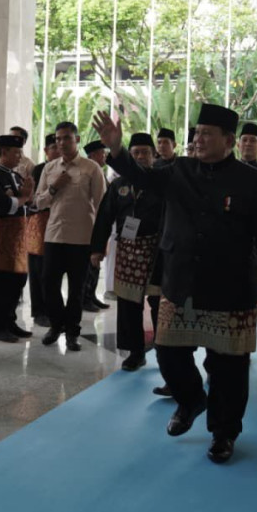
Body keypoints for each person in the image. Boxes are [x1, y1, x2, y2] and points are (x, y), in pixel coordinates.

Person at [92, 104, 257, 464]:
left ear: (228, 140)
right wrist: (116, 149)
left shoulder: (253, 180)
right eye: (197, 132)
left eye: (207, 133)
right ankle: (191, 399)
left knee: (229, 366)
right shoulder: (178, 169)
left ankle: (224, 432)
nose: (199, 139)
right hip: (181, 280)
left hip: (231, 284)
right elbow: (140, 175)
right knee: (168, 352)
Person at [90, 132, 165, 371]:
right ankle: (135, 352)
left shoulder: (161, 183)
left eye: (145, 152)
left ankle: (165, 352)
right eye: (136, 153)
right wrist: (96, 249)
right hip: (128, 249)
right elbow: (104, 217)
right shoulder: (118, 186)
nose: (141, 156)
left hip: (157, 250)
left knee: (158, 303)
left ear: (154, 155)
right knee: (128, 304)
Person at [34, 122, 106, 351]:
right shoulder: (50, 168)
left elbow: (101, 205)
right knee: (48, 283)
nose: (62, 143)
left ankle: (73, 332)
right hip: (54, 235)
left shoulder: (91, 168)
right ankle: (56, 325)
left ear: (77, 139)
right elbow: (38, 202)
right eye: (58, 139)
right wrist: (54, 187)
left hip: (81, 238)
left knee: (77, 289)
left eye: (66, 138)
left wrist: (99, 243)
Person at [0, 135, 35, 343]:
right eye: (16, 153)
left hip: (17, 235)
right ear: (3, 152)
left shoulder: (15, 175)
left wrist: (26, 196)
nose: (20, 157)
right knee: (0, 282)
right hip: (1, 236)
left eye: (21, 153)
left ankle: (10, 321)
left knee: (17, 280)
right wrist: (22, 198)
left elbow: (23, 203)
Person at [27, 134, 59, 328]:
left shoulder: (67, 167)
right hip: (40, 223)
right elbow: (36, 199)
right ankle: (38, 311)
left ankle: (52, 309)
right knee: (38, 269)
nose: (57, 149)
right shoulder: (40, 169)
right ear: (46, 151)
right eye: (53, 147)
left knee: (53, 270)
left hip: (59, 224)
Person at [81, 140, 111, 312]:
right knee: (89, 261)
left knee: (96, 261)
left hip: (99, 222)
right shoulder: (90, 171)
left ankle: (91, 295)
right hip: (90, 222)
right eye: (101, 153)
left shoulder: (100, 171)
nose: (104, 156)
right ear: (92, 155)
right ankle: (85, 297)